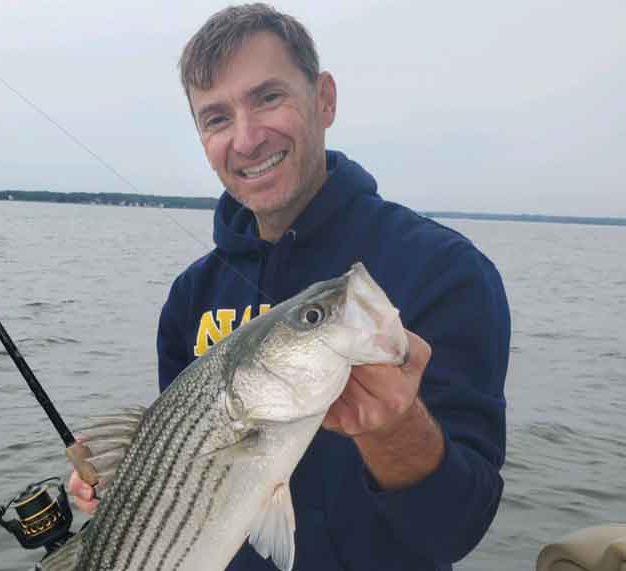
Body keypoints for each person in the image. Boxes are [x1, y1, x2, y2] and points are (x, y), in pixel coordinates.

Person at [70, 4, 510, 570]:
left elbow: (458, 530)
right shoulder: (190, 294)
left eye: (268, 98)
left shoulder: (445, 270)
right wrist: (125, 494)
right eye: (216, 118)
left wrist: (397, 430)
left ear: (324, 99)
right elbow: (173, 463)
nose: (247, 139)